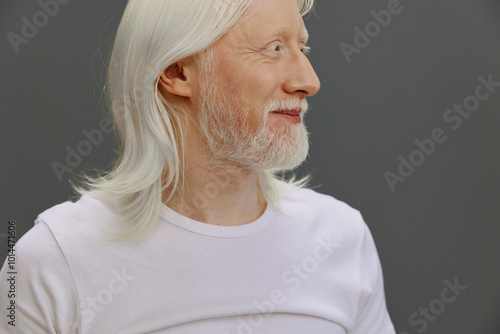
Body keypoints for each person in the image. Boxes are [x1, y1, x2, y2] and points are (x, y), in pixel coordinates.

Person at [0, 0, 396, 333]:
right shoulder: (50, 260)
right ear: (177, 72)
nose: (308, 81)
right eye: (274, 48)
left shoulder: (341, 238)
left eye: (302, 49)